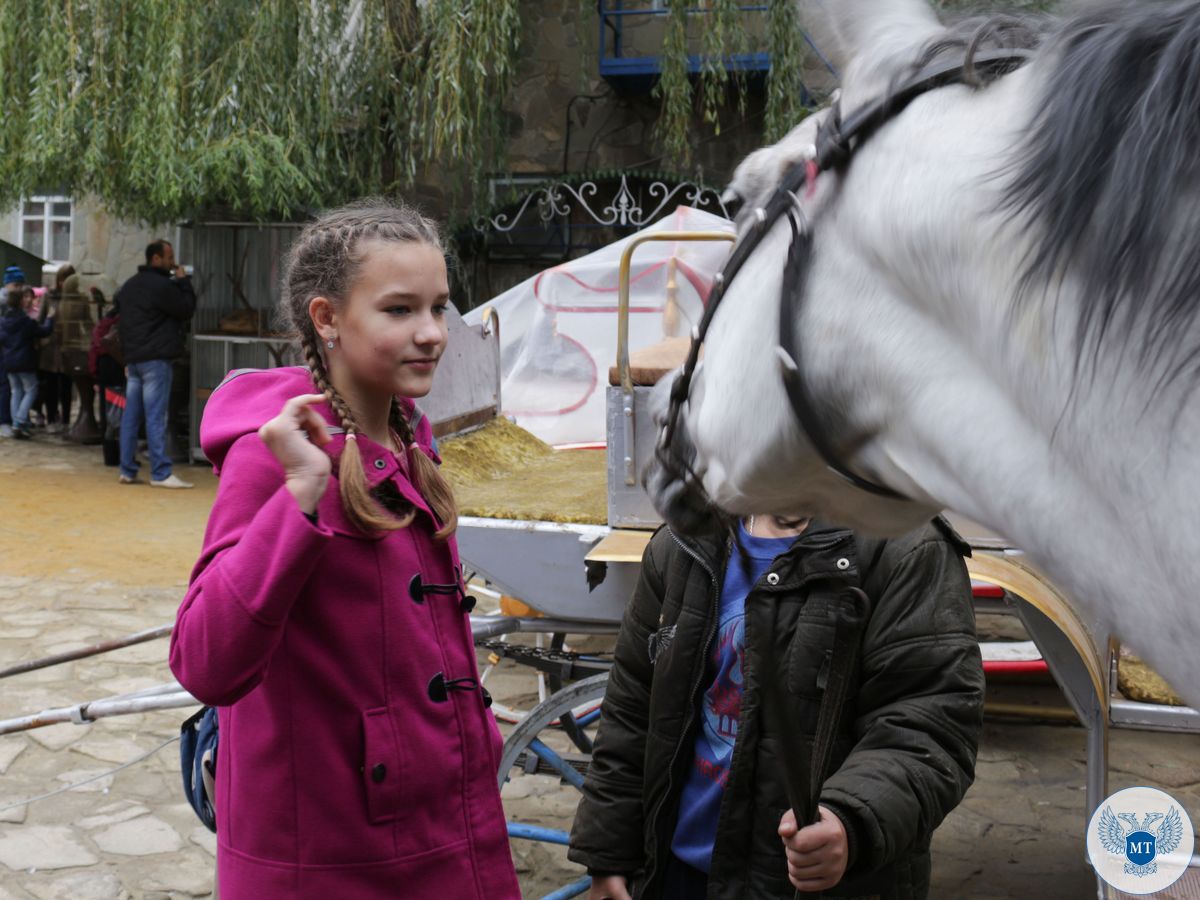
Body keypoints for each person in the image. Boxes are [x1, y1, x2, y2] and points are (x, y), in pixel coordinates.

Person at [168, 200, 520, 900]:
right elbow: (204, 660)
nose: (431, 334)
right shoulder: (279, 454)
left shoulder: (408, 436)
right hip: (336, 858)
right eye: (398, 311)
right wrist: (300, 492)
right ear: (327, 319)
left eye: (440, 308)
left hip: (447, 829)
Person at [570, 513, 985, 899]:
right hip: (675, 875)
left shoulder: (905, 547)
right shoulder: (687, 536)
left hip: (810, 884)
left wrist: (849, 819)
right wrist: (609, 856)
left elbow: (926, 726)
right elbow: (631, 712)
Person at [114, 239, 196, 487]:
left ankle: (127, 469)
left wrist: (128, 357)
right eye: (169, 258)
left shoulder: (128, 286)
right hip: (156, 360)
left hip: (134, 361)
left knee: (131, 417)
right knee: (156, 416)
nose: (173, 263)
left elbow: (121, 321)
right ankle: (160, 472)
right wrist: (183, 281)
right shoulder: (163, 286)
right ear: (157, 259)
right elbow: (185, 309)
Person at [0, 287, 56, 439]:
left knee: (16, 391)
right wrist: (50, 318)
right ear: (19, 302)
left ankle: (16, 424)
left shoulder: (3, 321)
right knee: (31, 389)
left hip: (8, 362)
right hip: (24, 361)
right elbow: (44, 331)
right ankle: (19, 421)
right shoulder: (25, 321)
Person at [0, 267, 25, 437]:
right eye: (15, 284)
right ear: (7, 284)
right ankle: (4, 421)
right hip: (5, 350)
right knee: (5, 386)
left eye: (20, 285)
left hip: (9, 351)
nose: (19, 289)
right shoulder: (4, 303)